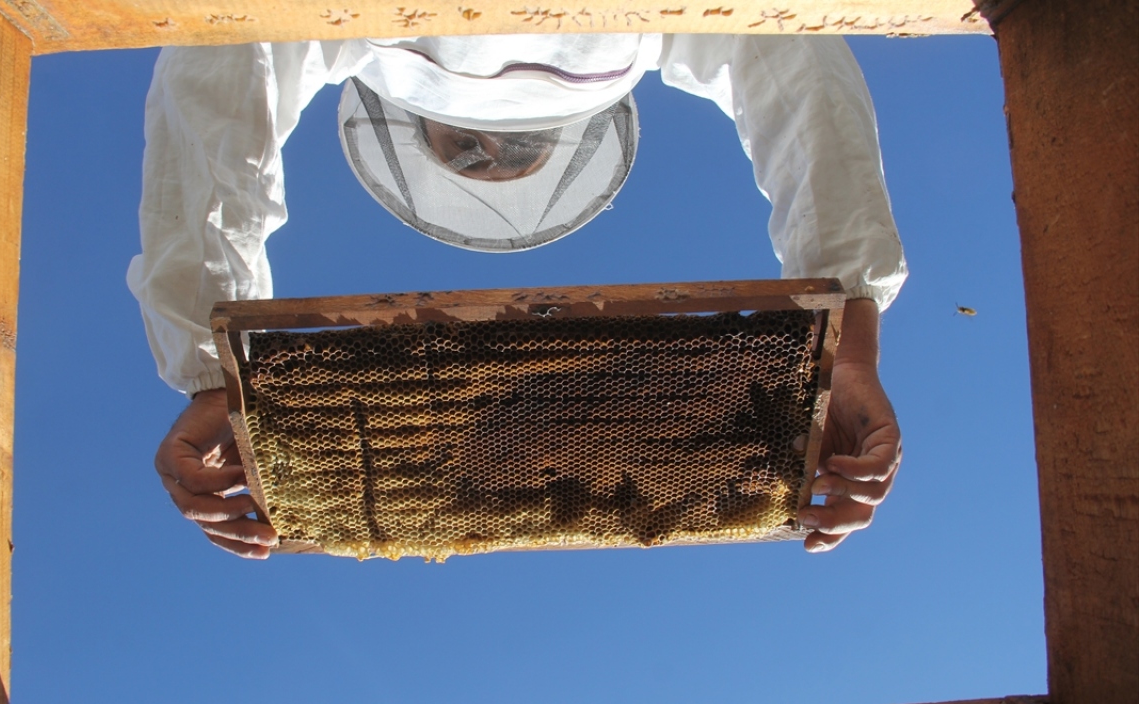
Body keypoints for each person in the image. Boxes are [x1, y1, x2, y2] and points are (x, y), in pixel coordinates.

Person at [130, 33, 906, 559]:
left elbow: (221, 63)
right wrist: (852, 340)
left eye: (472, 154)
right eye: (503, 153)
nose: (492, 144)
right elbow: (790, 50)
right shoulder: (649, 29)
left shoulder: (352, 29)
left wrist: (212, 370)